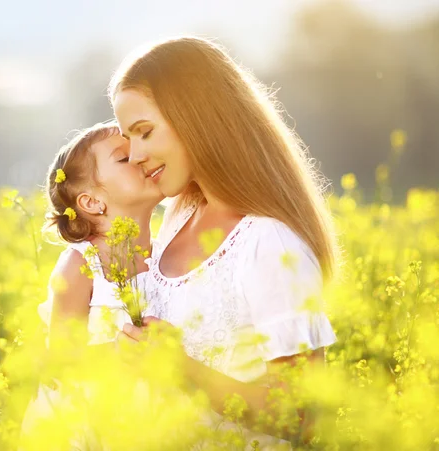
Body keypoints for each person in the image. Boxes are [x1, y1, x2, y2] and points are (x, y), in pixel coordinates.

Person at [111, 36, 339, 447]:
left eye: (144, 132)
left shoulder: (269, 242)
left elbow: (304, 419)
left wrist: (182, 370)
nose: (135, 155)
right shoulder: (178, 216)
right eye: (128, 140)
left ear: (196, 117)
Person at [19, 121, 164, 449]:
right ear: (92, 202)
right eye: (124, 159)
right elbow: (60, 361)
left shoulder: (167, 253)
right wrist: (116, 352)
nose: (142, 157)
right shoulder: (81, 266)